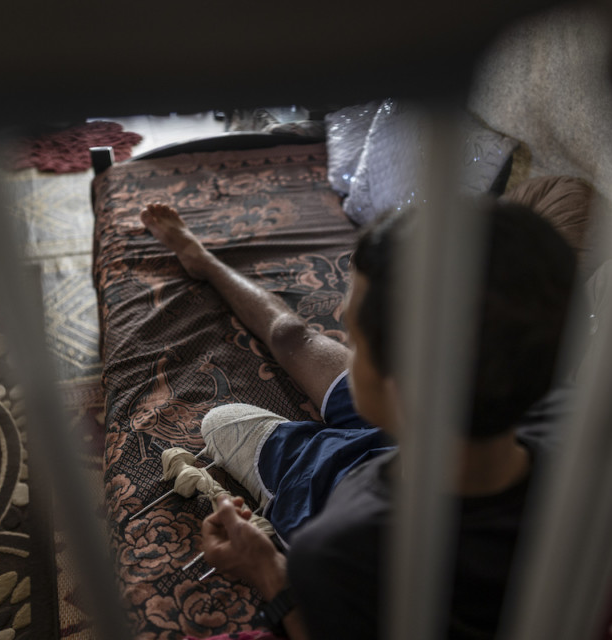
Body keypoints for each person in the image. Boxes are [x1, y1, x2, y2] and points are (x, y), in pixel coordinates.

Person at [138, 198, 577, 640]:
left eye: (354, 335)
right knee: (290, 334)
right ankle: (201, 258)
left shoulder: (339, 547)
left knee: (219, 420)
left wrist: (268, 571)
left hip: (325, 481)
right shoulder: (563, 423)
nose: (346, 340)